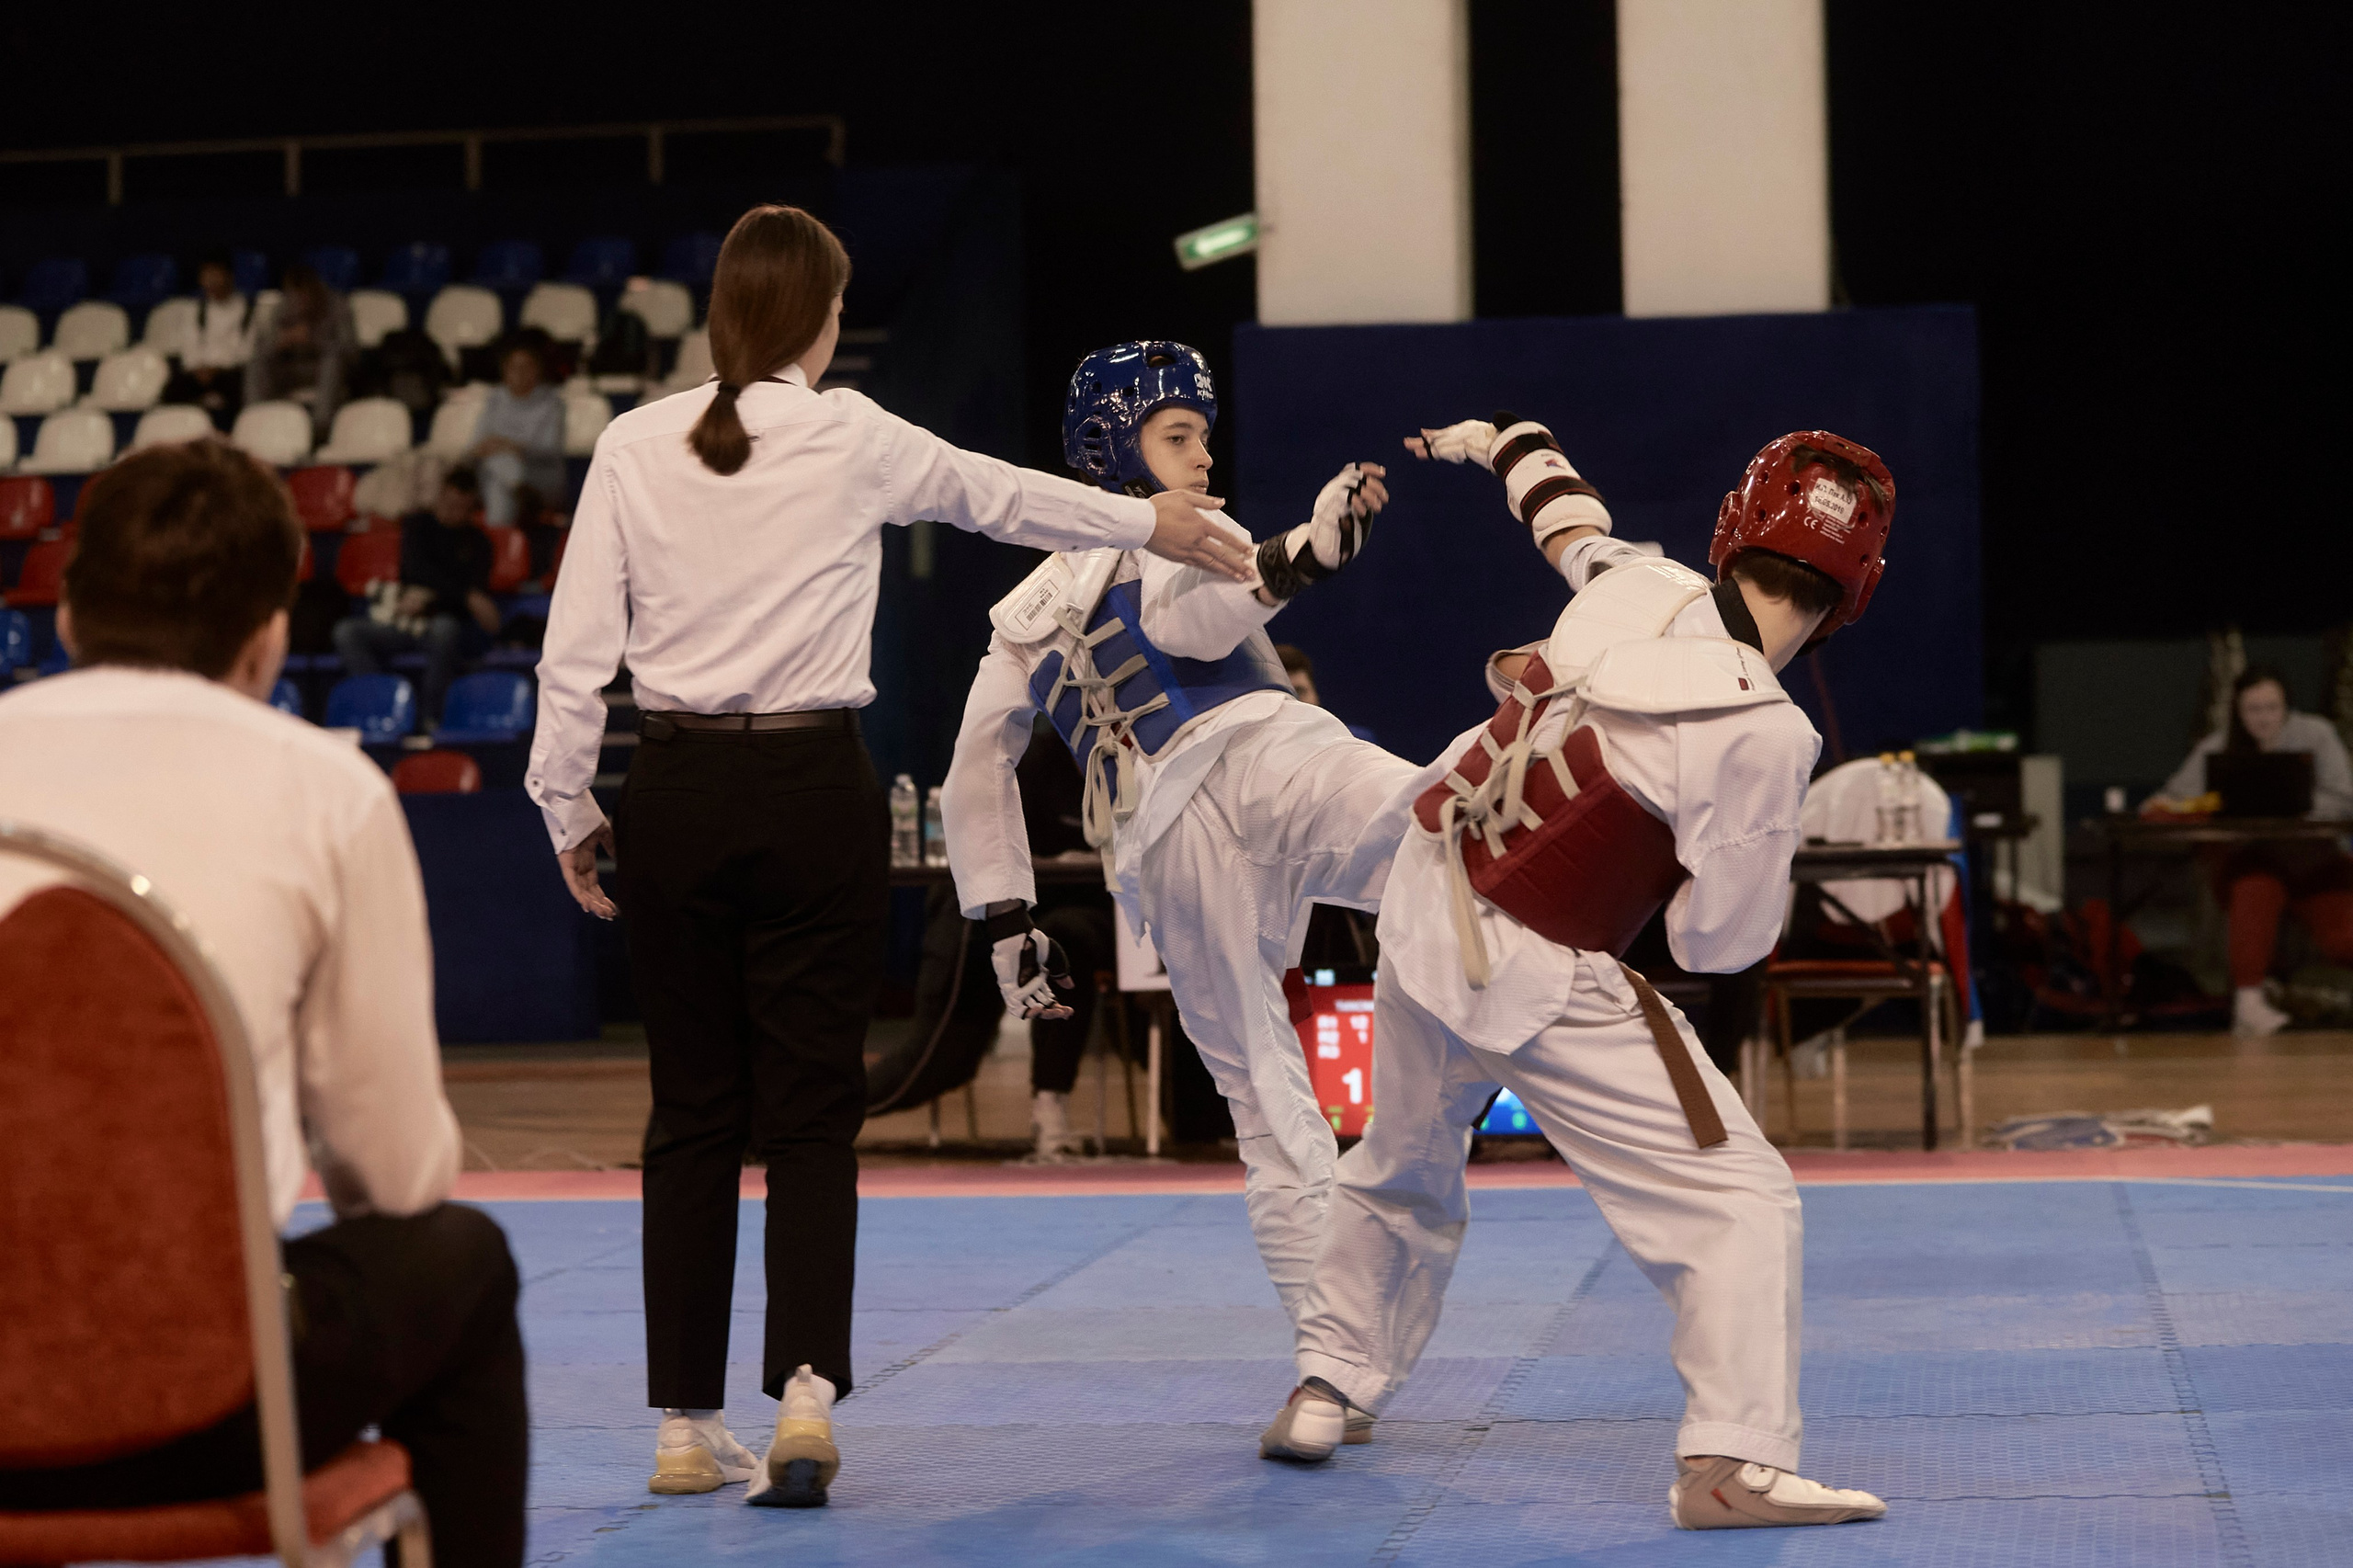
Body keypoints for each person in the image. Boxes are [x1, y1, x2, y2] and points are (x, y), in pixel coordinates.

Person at [524, 210, 1247, 1511]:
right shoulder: (850, 433)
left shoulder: (634, 445)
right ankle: (803, 1398)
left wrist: (568, 808)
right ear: (820, 320)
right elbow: (1004, 496)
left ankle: (683, 1427)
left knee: (689, 1113)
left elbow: (574, 657)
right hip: (812, 789)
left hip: (675, 787)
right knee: (810, 1106)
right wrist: (1155, 525)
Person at [1258, 419, 1893, 1534]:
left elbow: (1564, 515)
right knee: (1738, 1196)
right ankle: (1731, 1461)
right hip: (1534, 967)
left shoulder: (1636, 580)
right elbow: (1717, 945)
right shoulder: (1763, 729)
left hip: (1423, 893)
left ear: (1733, 529)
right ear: (1854, 590)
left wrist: (1498, 439)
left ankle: (1329, 1383)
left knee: (1402, 1155)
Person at [0, 439, 526, 1568]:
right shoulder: (326, 790)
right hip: (204, 1404)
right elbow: (395, 1180)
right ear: (269, 636)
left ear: (69, 618)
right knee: (463, 1260)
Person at [940, 341, 1418, 1403]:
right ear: (1116, 452)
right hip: (1243, 766)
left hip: (1179, 835)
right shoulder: (1181, 544)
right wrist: (1301, 557)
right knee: (1440, 841)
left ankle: (1332, 1363)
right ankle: (1335, 1353)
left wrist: (1008, 917)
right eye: (1178, 436)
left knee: (1264, 1094)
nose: (1203, 457)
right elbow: (1190, 615)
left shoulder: (1019, 620)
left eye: (1202, 435)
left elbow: (976, 768)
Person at [2147, 665, 2353, 1034]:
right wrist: (2165, 807)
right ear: (2239, 711)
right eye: (2253, 709)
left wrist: (2299, 805)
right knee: (2253, 887)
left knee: (2343, 939)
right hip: (2253, 863)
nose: (2263, 718)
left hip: (2315, 863)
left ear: (2286, 706)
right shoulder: (2218, 746)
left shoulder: (2317, 735)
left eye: (2272, 708)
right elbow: (2173, 795)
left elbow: (2345, 797)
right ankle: (2249, 1003)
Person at [332, 464, 498, 722]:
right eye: (448, 502)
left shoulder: (479, 543)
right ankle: (382, 708)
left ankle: (430, 718)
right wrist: (460, 594)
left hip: (445, 625)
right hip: (405, 620)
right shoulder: (419, 526)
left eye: (460, 507)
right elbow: (417, 571)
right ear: (441, 495)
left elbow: (474, 599)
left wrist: (439, 596)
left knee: (445, 629)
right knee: (347, 632)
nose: (451, 511)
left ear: (471, 508)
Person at [244, 263, 354, 440]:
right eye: (293, 293)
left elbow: (351, 352)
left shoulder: (337, 306)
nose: (299, 299)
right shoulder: (283, 307)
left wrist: (314, 339)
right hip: (292, 371)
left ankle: (320, 426)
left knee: (332, 358)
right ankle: (254, 418)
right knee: (257, 360)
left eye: (304, 293)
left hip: (326, 373)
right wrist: (279, 343)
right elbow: (263, 347)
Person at [469, 337, 568, 527]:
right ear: (505, 371)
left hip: (539, 475)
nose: (520, 373)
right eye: (514, 367)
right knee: (498, 469)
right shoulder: (495, 400)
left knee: (497, 476)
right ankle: (519, 489)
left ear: (537, 370)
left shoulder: (552, 403)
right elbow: (476, 447)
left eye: (526, 367)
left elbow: (549, 450)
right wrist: (492, 448)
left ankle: (500, 545)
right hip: (499, 474)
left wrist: (511, 447)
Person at [162, 249, 251, 431]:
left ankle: (235, 435)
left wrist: (216, 368)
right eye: (206, 275)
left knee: (240, 388)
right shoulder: (195, 310)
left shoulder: (247, 310)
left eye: (215, 274)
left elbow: (245, 351)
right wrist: (199, 369)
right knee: (171, 390)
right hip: (199, 372)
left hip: (230, 373)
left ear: (229, 276)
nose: (210, 280)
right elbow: (189, 347)